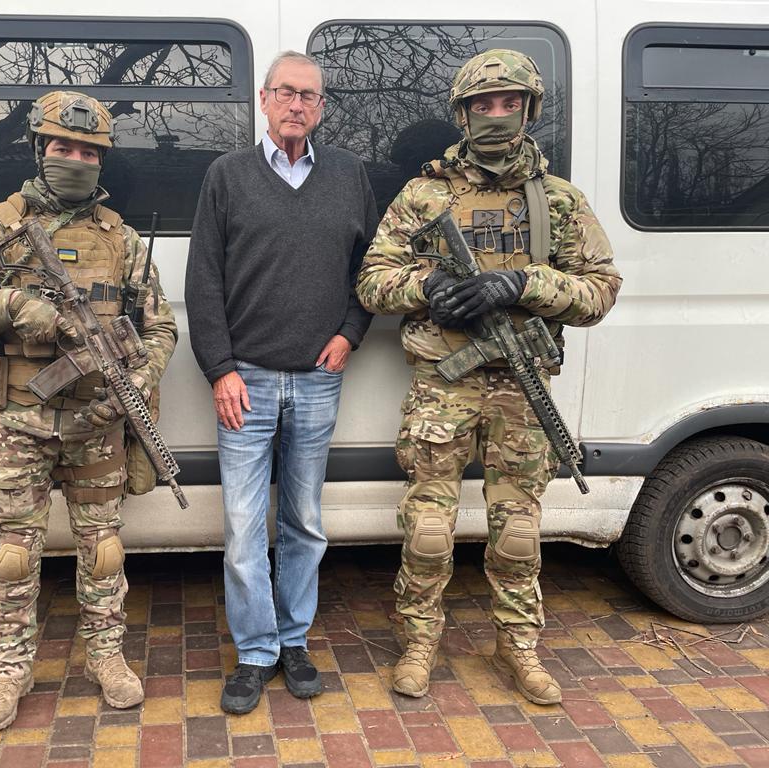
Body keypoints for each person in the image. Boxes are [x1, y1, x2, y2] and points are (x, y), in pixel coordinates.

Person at [356, 50, 621, 705]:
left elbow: (600, 290)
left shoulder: (558, 201)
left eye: (509, 103)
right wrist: (431, 286)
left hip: (521, 385)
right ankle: (419, 643)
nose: (496, 115)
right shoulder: (425, 194)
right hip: (443, 386)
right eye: (483, 104)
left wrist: (525, 282)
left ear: (528, 110)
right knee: (427, 526)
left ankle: (519, 648)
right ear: (464, 113)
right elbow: (372, 280)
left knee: (518, 528)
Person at [0, 90, 177, 729]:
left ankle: (106, 656)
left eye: (89, 151)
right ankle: (8, 671)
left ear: (103, 160)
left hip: (98, 423)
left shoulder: (121, 239)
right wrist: (14, 306)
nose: (76, 159)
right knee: (15, 552)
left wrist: (140, 374)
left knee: (104, 549)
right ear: (40, 149)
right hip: (20, 423)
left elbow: (161, 326)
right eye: (63, 147)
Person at [185, 51, 378, 714]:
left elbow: (371, 269)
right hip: (247, 381)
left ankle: (294, 640)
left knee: (303, 521)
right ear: (264, 101)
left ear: (321, 108)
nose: (298, 105)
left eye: (310, 96)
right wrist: (220, 369)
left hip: (318, 381)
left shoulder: (350, 176)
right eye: (286, 93)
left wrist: (350, 332)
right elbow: (202, 280)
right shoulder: (227, 176)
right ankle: (256, 651)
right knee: (244, 525)